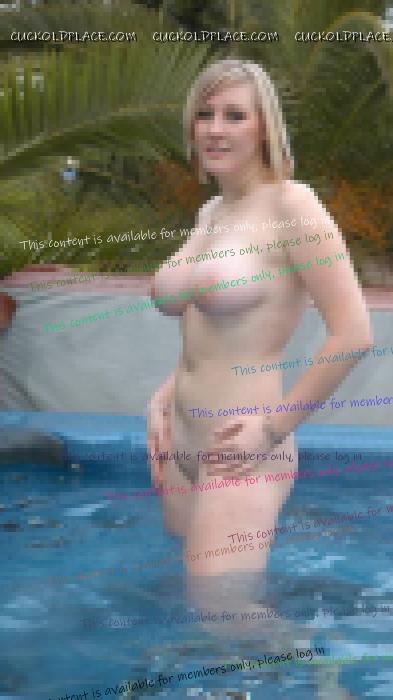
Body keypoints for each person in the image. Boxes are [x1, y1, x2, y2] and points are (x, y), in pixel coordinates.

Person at [147, 57, 371, 694]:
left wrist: (271, 430)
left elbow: (354, 333)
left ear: (264, 127)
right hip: (182, 446)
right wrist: (162, 400)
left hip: (240, 451)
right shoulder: (211, 213)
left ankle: (325, 679)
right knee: (202, 619)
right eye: (205, 114)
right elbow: (206, 335)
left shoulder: (294, 207)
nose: (215, 129)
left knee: (226, 616)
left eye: (234, 115)